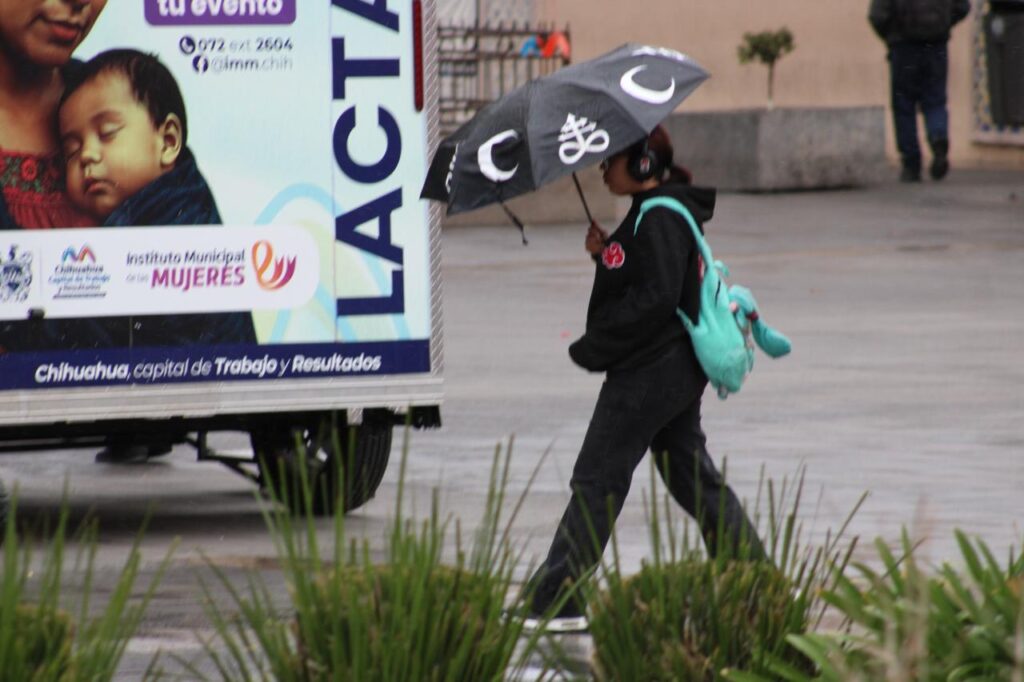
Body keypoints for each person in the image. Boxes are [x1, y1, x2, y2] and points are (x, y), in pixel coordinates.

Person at [522, 125, 765, 633]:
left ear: (644, 164)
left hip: (650, 371)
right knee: (691, 476)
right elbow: (645, 277)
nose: (602, 170)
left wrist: (597, 343)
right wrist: (605, 254)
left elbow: (654, 300)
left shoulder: (659, 218)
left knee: (597, 479)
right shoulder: (654, 213)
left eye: (610, 160)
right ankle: (755, 579)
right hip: (673, 368)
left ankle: (558, 599)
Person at [869, 0, 971, 182]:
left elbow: (877, 15)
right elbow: (963, 7)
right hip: (936, 44)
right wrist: (944, 26)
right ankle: (938, 137)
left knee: (904, 106)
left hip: (903, 46)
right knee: (935, 100)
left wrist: (891, 36)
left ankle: (911, 163)